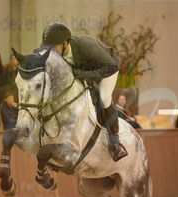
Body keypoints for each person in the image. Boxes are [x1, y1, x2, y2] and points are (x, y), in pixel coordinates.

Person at [41, 23, 126, 161]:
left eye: (53, 46)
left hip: (108, 69)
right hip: (84, 72)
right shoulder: (56, 52)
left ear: (65, 43)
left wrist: (84, 74)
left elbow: (110, 66)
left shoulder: (87, 46)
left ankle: (115, 142)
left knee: (104, 98)